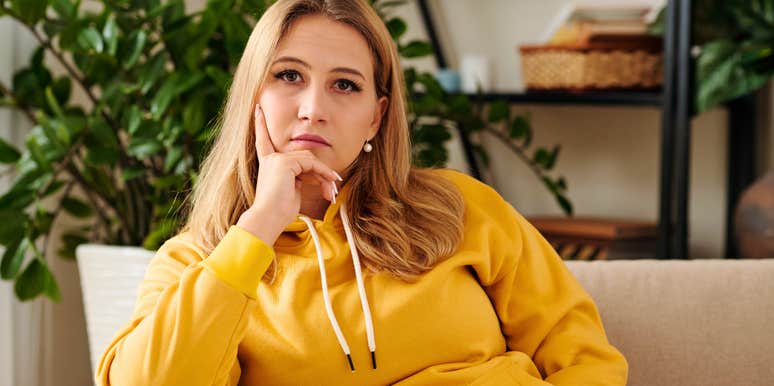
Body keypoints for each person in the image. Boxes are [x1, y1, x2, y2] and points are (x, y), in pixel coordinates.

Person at [95, 0, 628, 384]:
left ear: (376, 116)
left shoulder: (462, 209)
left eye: (345, 84)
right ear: (252, 97)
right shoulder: (200, 261)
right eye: (288, 76)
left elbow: (581, 354)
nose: (313, 107)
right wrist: (258, 226)